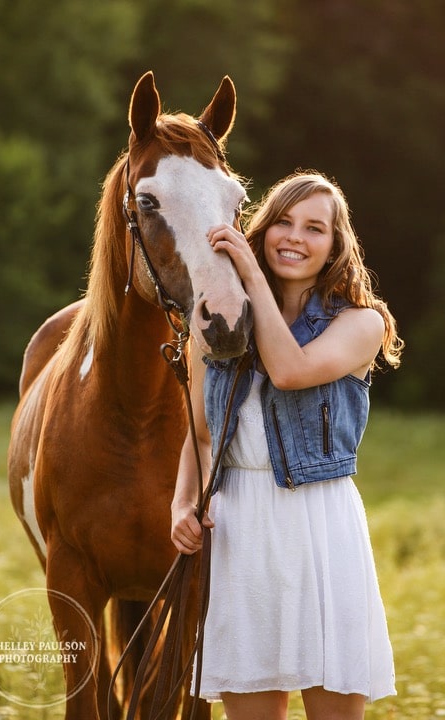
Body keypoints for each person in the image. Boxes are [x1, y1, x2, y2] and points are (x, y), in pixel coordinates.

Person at [171, 170, 403, 720]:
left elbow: (291, 370)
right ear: (264, 227)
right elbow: (201, 434)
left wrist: (248, 271)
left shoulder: (361, 324)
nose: (295, 237)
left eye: (314, 228)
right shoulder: (215, 324)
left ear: (335, 246)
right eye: (283, 221)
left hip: (320, 524)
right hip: (239, 528)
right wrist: (182, 502)